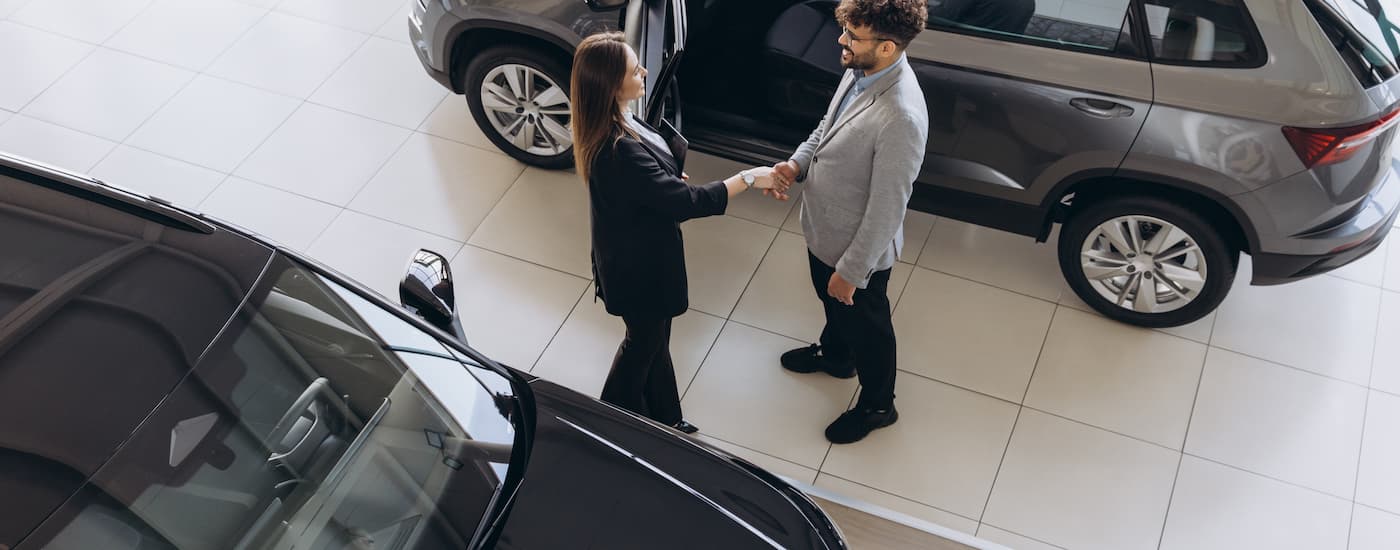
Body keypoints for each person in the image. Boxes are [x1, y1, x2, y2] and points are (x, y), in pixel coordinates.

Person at [571, 32, 787, 434]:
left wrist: (663, 178)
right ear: (612, 85)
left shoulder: (617, 120)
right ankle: (610, 424)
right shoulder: (619, 150)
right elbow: (689, 203)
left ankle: (666, 418)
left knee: (654, 340)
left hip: (633, 260)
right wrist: (748, 177)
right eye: (636, 69)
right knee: (643, 345)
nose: (645, 72)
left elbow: (650, 178)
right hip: (639, 272)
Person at [770, 0, 930, 444]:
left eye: (852, 36)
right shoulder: (859, 70)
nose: (840, 40)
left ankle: (879, 403)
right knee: (830, 302)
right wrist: (796, 165)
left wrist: (852, 272)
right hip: (826, 230)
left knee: (870, 328)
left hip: (857, 252)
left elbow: (887, 208)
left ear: (887, 47)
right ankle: (838, 357)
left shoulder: (902, 116)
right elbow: (828, 128)